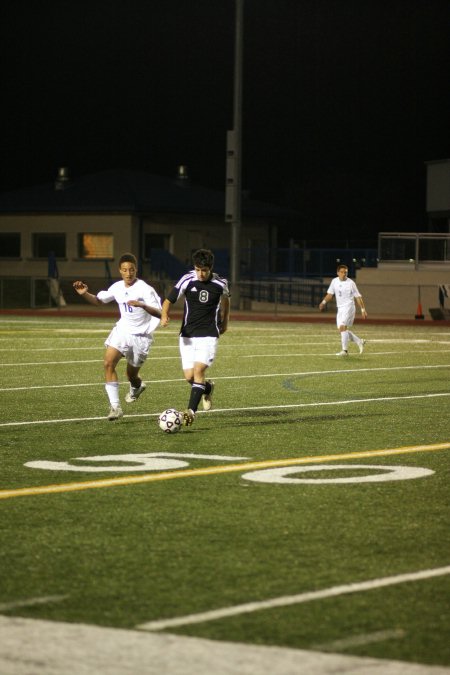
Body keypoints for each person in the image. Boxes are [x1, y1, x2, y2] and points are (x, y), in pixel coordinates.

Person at [73, 253, 162, 420]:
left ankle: (137, 387)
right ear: (120, 271)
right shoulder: (117, 287)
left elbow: (159, 312)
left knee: (132, 376)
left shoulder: (145, 289)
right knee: (108, 363)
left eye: (132, 270)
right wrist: (84, 293)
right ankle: (115, 407)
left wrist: (142, 304)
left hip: (141, 337)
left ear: (136, 270)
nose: (128, 273)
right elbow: (99, 301)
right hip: (122, 331)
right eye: (125, 270)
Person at [160, 248, 230, 426]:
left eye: (204, 270)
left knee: (199, 371)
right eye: (198, 269)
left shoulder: (221, 283)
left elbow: (226, 301)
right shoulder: (187, 279)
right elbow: (169, 300)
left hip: (208, 334)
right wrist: (164, 315)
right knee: (189, 377)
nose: (200, 274)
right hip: (187, 335)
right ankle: (208, 387)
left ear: (211, 268)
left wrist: (225, 322)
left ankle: (190, 411)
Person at [319, 264, 367, 356]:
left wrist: (363, 309)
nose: (344, 274)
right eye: (342, 272)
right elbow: (330, 294)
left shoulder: (351, 283)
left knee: (342, 327)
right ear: (337, 273)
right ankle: (359, 341)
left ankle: (345, 351)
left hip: (349, 307)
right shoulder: (334, 281)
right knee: (342, 330)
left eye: (346, 272)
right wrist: (323, 302)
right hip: (340, 308)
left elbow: (358, 297)